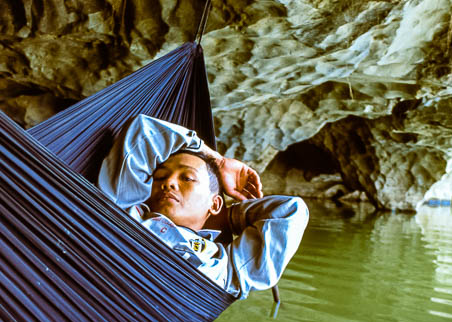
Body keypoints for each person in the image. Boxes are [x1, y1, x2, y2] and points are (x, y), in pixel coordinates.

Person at [97, 114, 308, 299]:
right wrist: (216, 159)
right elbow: (145, 132)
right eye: (160, 176)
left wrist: (227, 218)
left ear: (214, 203)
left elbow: (290, 210)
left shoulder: (226, 270)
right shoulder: (120, 209)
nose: (168, 183)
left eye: (187, 178)